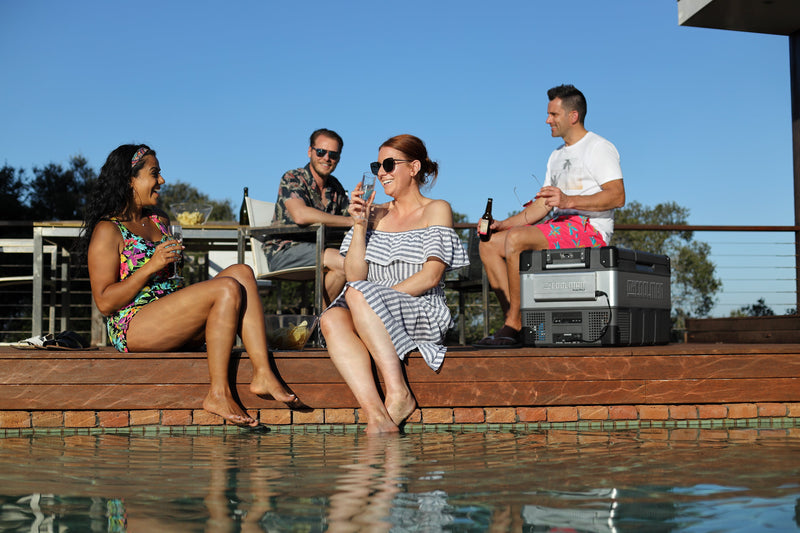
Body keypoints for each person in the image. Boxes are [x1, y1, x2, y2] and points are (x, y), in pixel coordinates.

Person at [77, 144, 300, 426]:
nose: (162, 181)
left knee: (242, 272)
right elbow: (105, 301)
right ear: (129, 179)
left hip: (170, 317)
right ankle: (218, 393)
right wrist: (151, 266)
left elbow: (172, 283)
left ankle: (264, 374)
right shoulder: (107, 230)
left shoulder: (159, 220)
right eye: (154, 174)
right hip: (133, 326)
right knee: (226, 287)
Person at [319, 134, 469, 434]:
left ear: (413, 168)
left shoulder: (436, 209)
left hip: (420, 308)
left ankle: (398, 392)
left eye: (389, 164)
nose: (381, 172)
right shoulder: (373, 214)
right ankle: (377, 416)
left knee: (359, 294)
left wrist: (377, 299)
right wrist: (360, 225)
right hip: (369, 306)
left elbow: (431, 276)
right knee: (332, 316)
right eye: (377, 166)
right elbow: (354, 276)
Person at [476, 84, 625, 347]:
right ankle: (516, 321)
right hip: (558, 226)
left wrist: (569, 200)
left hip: (590, 229)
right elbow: (542, 206)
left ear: (573, 116)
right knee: (489, 243)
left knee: (518, 239)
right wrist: (502, 225)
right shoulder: (555, 156)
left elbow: (617, 196)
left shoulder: (599, 147)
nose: (547, 120)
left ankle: (515, 324)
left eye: (553, 115)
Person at [264, 128, 352, 306]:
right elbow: (300, 215)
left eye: (333, 154)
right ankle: (321, 324)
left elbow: (352, 217)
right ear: (310, 151)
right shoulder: (293, 178)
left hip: (322, 252)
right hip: (284, 251)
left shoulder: (335, 187)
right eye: (321, 152)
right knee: (345, 263)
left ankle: (319, 323)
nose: (327, 158)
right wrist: (350, 221)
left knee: (354, 262)